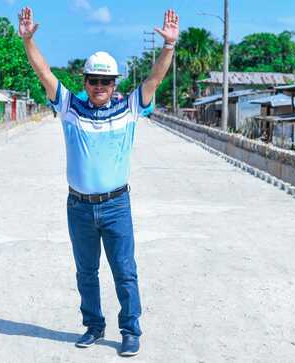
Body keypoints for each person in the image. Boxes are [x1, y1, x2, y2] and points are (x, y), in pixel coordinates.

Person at [19, 6, 178, 357]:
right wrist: (29, 40)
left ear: (115, 83)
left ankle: (130, 330)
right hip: (78, 206)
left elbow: (153, 80)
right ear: (85, 81)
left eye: (107, 81)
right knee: (86, 273)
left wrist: (168, 47)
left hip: (116, 205)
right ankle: (93, 326)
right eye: (94, 80)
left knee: (125, 271)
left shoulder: (131, 108)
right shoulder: (69, 108)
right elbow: (44, 72)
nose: (100, 87)